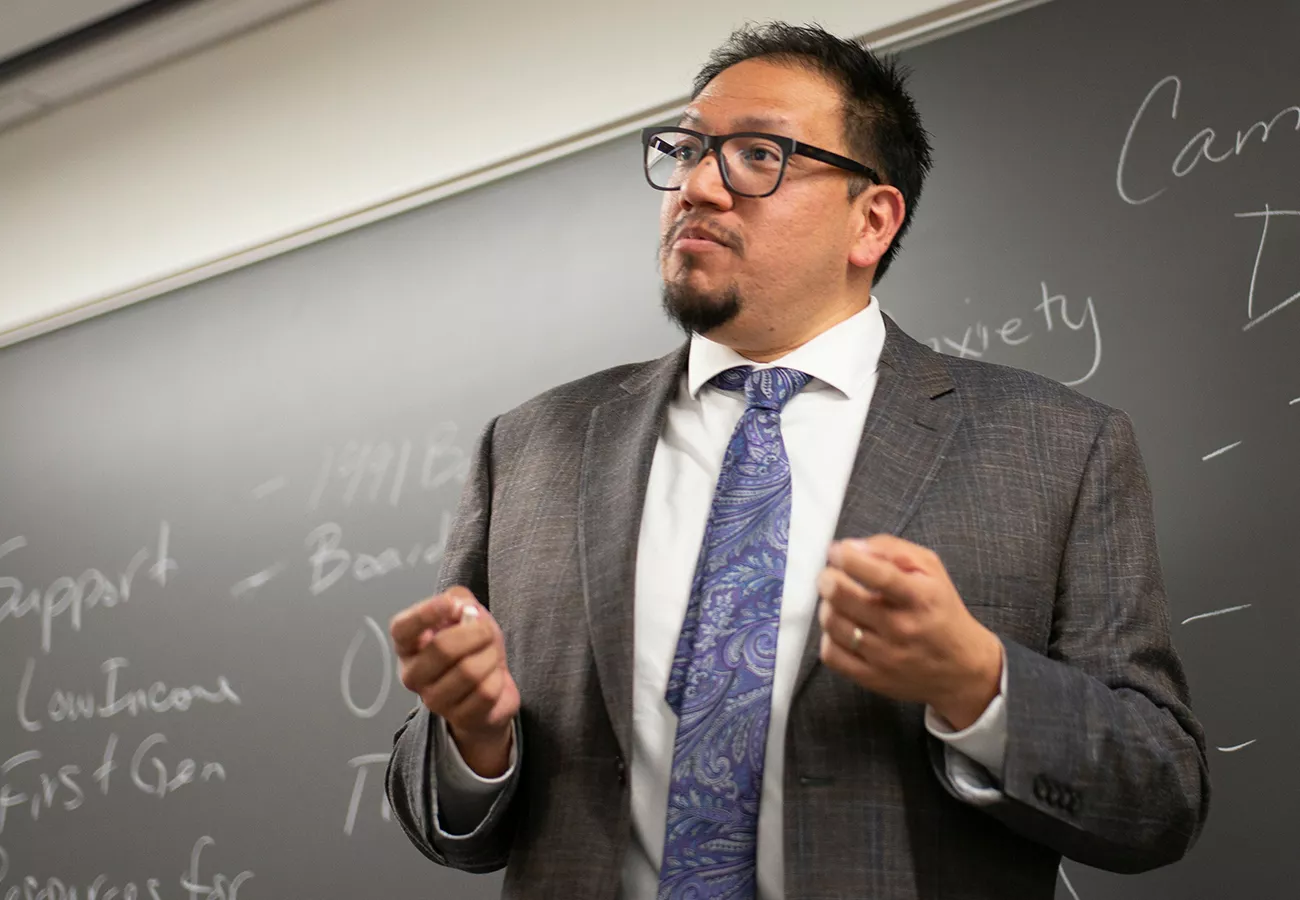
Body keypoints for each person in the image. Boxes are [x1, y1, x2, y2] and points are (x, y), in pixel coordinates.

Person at [385, 22, 1210, 900]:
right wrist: (474, 739)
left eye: (757, 156)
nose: (698, 186)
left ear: (872, 220)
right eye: (687, 149)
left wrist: (976, 682)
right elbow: (451, 822)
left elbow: (1160, 798)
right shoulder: (532, 447)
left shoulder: (1059, 449)